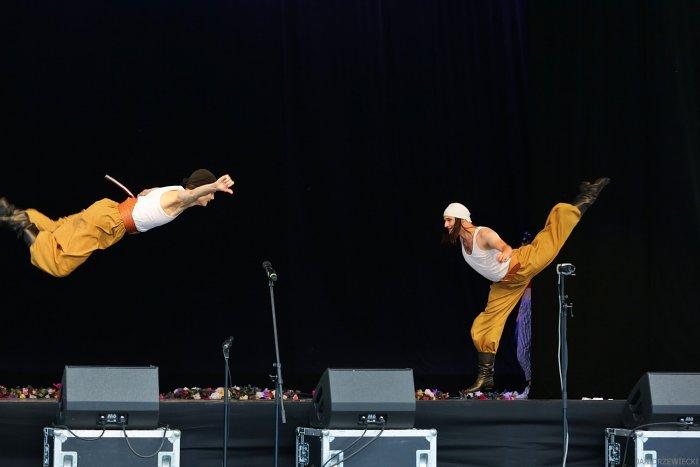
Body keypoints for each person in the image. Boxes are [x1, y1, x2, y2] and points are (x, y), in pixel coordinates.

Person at [443, 177, 610, 393]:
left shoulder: (482, 234)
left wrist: (505, 252)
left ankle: (587, 196)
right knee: (483, 326)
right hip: (504, 286)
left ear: (461, 219)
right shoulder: (462, 243)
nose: (446, 225)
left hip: (522, 265)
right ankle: (486, 378)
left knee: (552, 234)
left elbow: (504, 246)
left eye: (448, 220)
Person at [0, 169, 234, 277]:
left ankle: (17, 213)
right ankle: (21, 223)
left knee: (57, 229)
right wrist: (215, 186)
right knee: (59, 264)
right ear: (199, 188)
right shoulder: (179, 199)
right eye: (210, 193)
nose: (212, 198)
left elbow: (144, 193)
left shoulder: (172, 189)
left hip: (108, 211)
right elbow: (189, 196)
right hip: (110, 223)